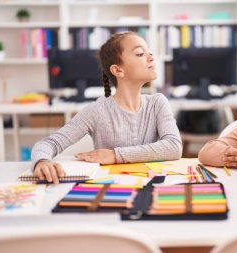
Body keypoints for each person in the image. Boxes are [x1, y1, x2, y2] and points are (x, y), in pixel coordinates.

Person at [32, 31, 182, 183]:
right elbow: (48, 144)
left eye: (149, 52)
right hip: (113, 188)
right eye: (140, 53)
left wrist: (116, 155)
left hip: (153, 185)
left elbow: (174, 147)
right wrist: (42, 161)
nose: (151, 57)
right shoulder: (97, 111)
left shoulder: (158, 103)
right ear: (117, 70)